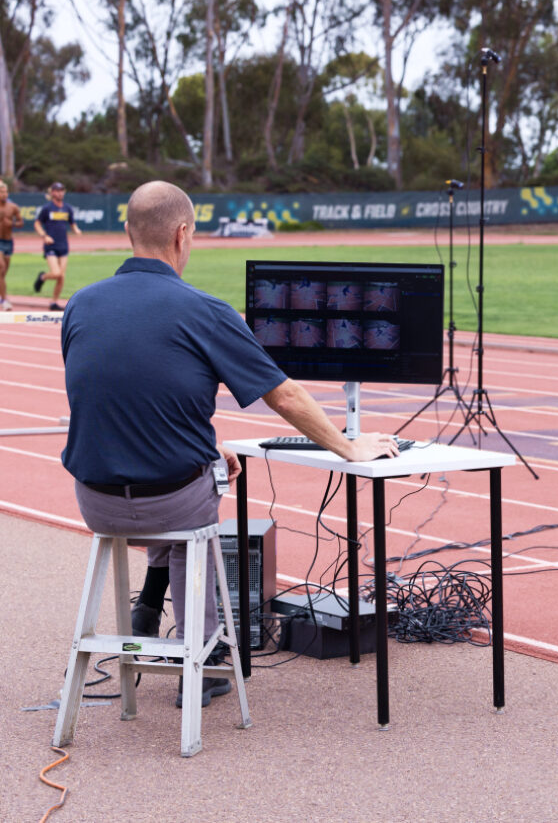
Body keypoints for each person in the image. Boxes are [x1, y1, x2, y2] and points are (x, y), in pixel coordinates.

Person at [61, 180, 398, 707]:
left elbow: (119, 394)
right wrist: (348, 447)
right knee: (197, 498)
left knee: (190, 475)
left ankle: (148, 607)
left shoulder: (79, 305)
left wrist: (200, 444)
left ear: (128, 232)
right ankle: (204, 657)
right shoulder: (204, 310)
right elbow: (283, 397)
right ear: (183, 234)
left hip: (95, 503)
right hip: (169, 499)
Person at [33, 182, 82, 311]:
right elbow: (37, 224)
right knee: (56, 273)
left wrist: (76, 230)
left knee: (61, 276)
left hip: (63, 245)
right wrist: (44, 236)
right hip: (51, 245)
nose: (60, 193)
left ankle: (53, 302)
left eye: (62, 190)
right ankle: (42, 277)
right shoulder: (47, 208)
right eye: (57, 190)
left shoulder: (67, 208)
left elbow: (72, 223)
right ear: (52, 192)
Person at [0, 182, 24, 310]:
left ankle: (2, 295)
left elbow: (21, 222)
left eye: (5, 192)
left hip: (8, 242)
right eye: (1, 192)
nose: (4, 194)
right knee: (1, 267)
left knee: (3, 274)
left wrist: (13, 223)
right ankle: (4, 301)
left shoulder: (12, 207)